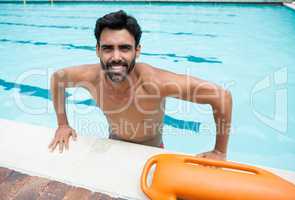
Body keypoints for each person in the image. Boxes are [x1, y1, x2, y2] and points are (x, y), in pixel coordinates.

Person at [48, 10, 232, 161]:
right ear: (97, 50)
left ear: (137, 50)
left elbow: (221, 97)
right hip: (114, 143)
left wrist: (220, 152)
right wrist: (63, 124)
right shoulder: (89, 77)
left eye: (125, 48)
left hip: (152, 151)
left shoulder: (154, 83)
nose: (116, 57)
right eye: (108, 48)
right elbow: (57, 80)